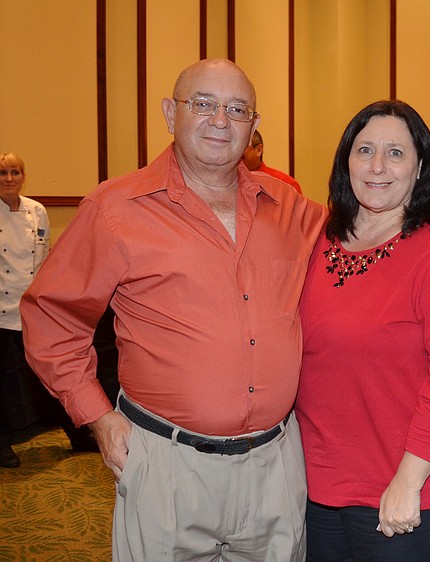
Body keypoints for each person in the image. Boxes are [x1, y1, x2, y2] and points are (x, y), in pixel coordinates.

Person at [20, 59, 327, 560]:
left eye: (236, 109)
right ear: (169, 113)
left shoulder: (290, 209)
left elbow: (368, 231)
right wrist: (98, 417)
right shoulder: (115, 209)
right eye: (202, 104)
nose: (220, 120)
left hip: (275, 465)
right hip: (166, 463)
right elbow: (51, 318)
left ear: (253, 125)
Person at [294, 99, 430, 562]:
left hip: (407, 487)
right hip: (319, 483)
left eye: (396, 153)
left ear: (420, 166)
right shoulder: (316, 239)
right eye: (364, 150)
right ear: (346, 161)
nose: (377, 166)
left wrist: (409, 480)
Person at [1, 153, 98, 469]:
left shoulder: (36, 211)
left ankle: (78, 433)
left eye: (15, 171)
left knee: (52, 374)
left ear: (23, 176)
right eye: (2, 172)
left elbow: (44, 260)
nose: (9, 178)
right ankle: (2, 442)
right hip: (1, 311)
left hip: (32, 307)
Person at [242, 129, 303, 193]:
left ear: (259, 150)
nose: (236, 151)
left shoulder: (285, 184)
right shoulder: (232, 183)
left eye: (243, 146)